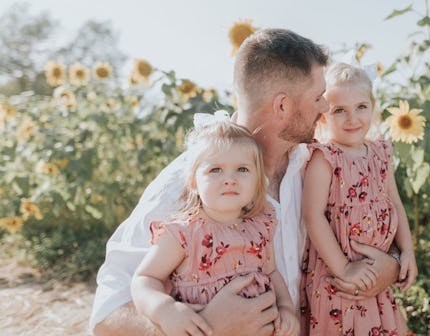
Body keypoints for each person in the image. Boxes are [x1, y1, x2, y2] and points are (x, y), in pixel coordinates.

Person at [91, 28, 401, 336]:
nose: (325, 108)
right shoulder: (190, 182)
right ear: (282, 106)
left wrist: (393, 264)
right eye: (318, 98)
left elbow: (371, 219)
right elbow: (107, 316)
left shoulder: (318, 163)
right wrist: (205, 328)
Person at [130, 119, 298, 336]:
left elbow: (271, 272)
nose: (230, 179)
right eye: (216, 170)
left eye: (242, 169)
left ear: (257, 181)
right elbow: (145, 278)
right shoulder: (184, 233)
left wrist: (286, 308)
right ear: (193, 182)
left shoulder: (260, 226)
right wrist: (166, 311)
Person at [300, 62, 418, 335]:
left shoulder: (380, 154)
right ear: (323, 117)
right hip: (338, 275)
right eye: (339, 110)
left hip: (376, 270)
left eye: (361, 107)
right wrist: (344, 269)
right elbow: (312, 215)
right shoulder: (325, 158)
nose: (352, 119)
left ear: (373, 107)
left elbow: (395, 203)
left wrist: (408, 251)